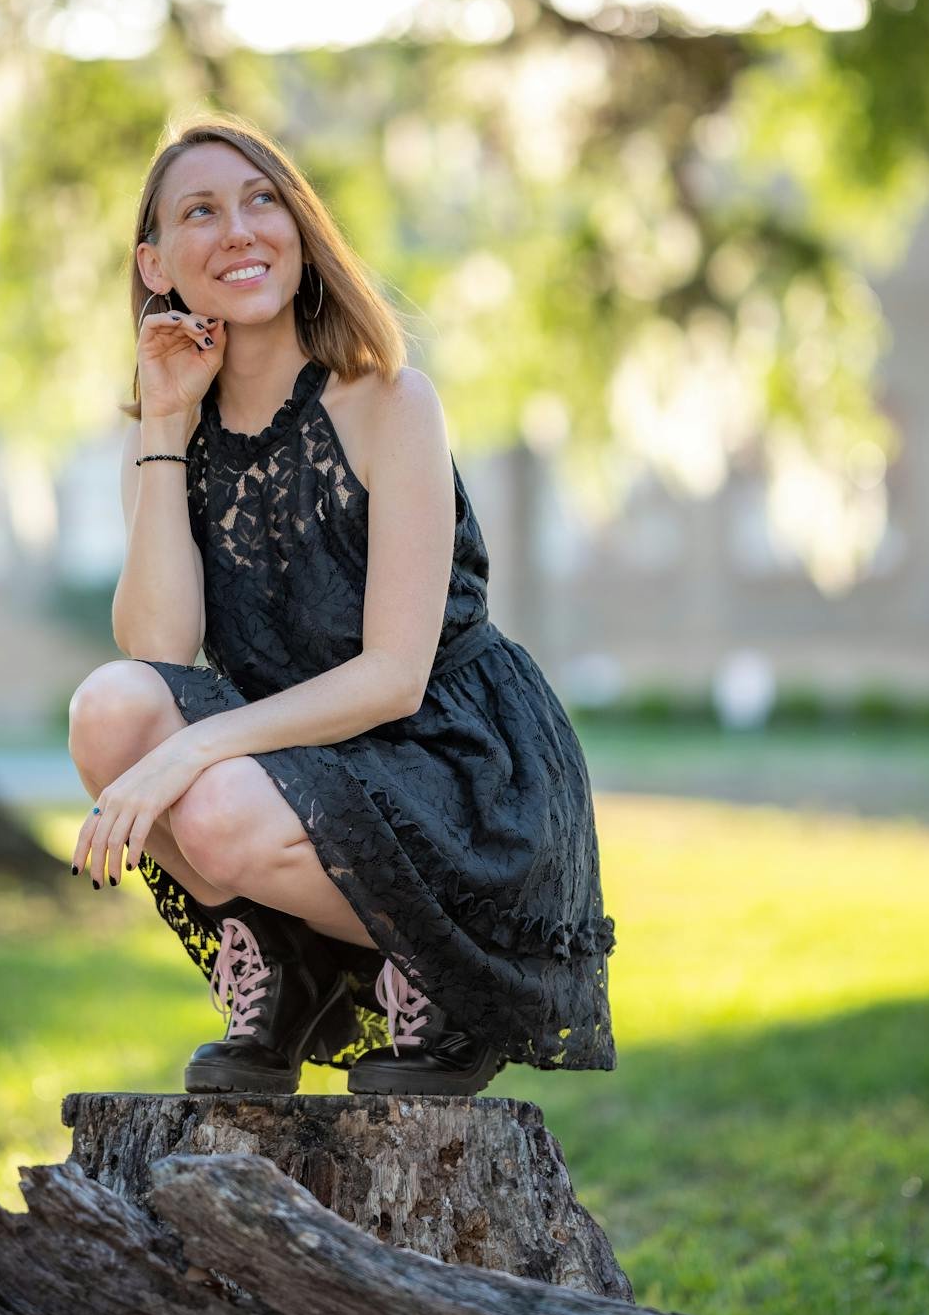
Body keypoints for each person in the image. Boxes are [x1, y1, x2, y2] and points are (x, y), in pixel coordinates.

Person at [67, 109, 617, 1097]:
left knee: (217, 803)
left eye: (261, 199)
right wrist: (161, 419)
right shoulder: (168, 431)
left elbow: (393, 674)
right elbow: (161, 654)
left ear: (300, 228)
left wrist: (193, 750)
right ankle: (285, 964)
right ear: (156, 264)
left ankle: (443, 974)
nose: (238, 229)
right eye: (201, 211)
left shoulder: (390, 400)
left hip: (450, 773)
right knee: (111, 707)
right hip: (299, 768)